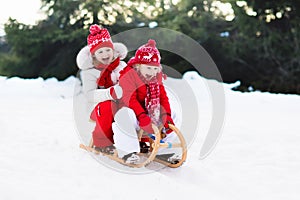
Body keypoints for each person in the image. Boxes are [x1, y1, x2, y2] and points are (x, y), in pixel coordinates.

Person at [112, 39, 179, 163]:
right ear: (138, 65)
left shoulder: (156, 79)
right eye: (148, 68)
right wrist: (141, 116)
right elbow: (129, 98)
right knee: (124, 115)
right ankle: (128, 151)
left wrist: (167, 116)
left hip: (148, 115)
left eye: (155, 69)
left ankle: (163, 150)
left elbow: (163, 98)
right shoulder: (128, 76)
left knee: (174, 114)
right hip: (131, 112)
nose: (152, 72)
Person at [76, 24, 128, 154]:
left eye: (107, 50)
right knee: (107, 107)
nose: (105, 54)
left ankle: (141, 138)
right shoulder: (90, 72)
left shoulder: (121, 65)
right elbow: (89, 95)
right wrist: (110, 93)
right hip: (97, 106)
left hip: (122, 101)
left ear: (113, 50)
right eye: (100, 52)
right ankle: (103, 142)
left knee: (139, 104)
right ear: (94, 55)